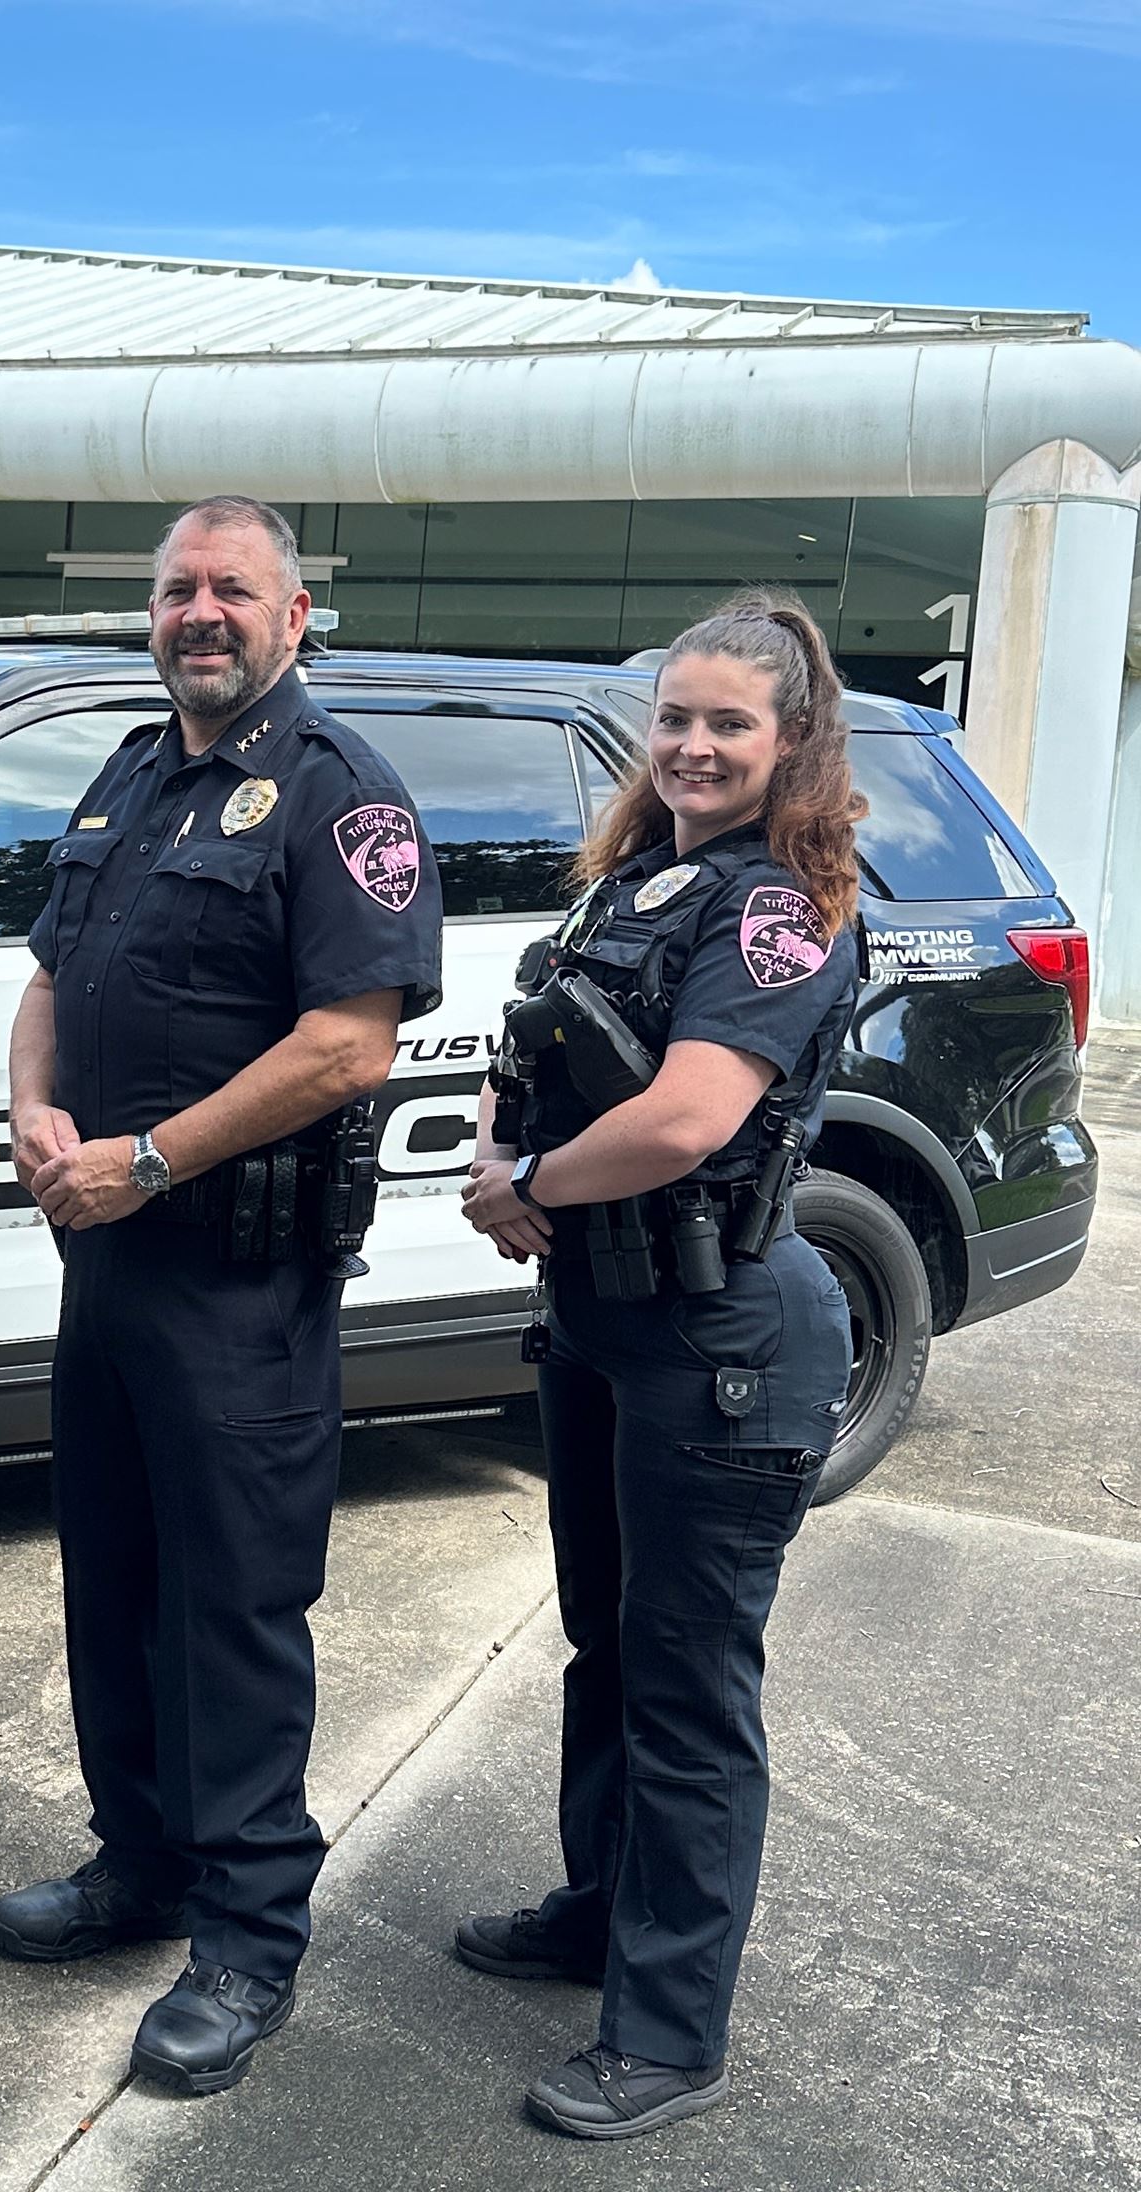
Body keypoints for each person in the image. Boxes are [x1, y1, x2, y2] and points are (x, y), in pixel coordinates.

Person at [0, 496, 444, 2096]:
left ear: (293, 614)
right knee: (110, 1578)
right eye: (178, 586)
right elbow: (52, 974)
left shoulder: (338, 796)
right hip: (105, 1260)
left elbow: (350, 1041)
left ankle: (249, 1939)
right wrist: (41, 1113)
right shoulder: (130, 771)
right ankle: (143, 1864)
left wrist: (148, 1162)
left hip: (236, 1278)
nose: (200, 610)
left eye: (230, 588)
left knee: (236, 1609)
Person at [454, 591, 864, 2139]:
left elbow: (692, 1115)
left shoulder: (779, 905)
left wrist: (532, 1191)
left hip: (722, 1346)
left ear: (792, 740)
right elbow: (542, 1046)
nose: (692, 746)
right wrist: (505, 1154)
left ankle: (673, 2029)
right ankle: (597, 1910)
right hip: (606, 1321)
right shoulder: (637, 882)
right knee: (609, 1650)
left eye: (728, 724)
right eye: (676, 719)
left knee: (690, 1688)